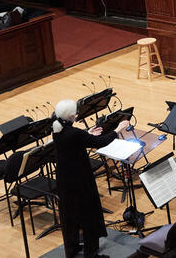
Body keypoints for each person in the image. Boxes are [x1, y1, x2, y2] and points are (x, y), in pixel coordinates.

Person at [52, 99, 130, 258]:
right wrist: (118, 130)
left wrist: (87, 134)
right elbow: (100, 142)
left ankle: (72, 250)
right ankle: (91, 253)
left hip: (64, 180)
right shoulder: (74, 133)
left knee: (70, 216)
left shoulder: (57, 128)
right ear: (72, 116)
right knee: (89, 216)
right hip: (80, 180)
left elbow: (76, 140)